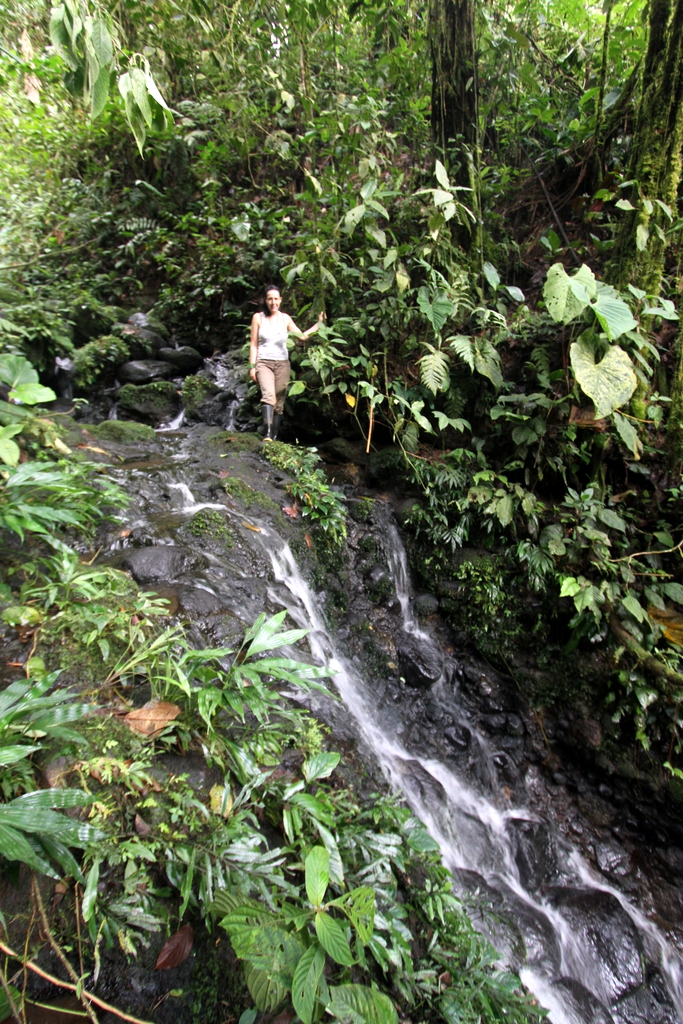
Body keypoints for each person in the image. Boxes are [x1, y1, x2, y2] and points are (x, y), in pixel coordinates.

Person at [249, 285, 324, 440]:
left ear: (281, 300)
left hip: (282, 364)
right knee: (269, 396)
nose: (273, 302)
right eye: (270, 298)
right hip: (264, 362)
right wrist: (252, 366)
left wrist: (319, 324)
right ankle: (268, 435)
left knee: (279, 403)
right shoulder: (258, 318)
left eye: (276, 298)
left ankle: (274, 437)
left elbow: (301, 336)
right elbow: (254, 344)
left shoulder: (285, 318)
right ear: (265, 300)